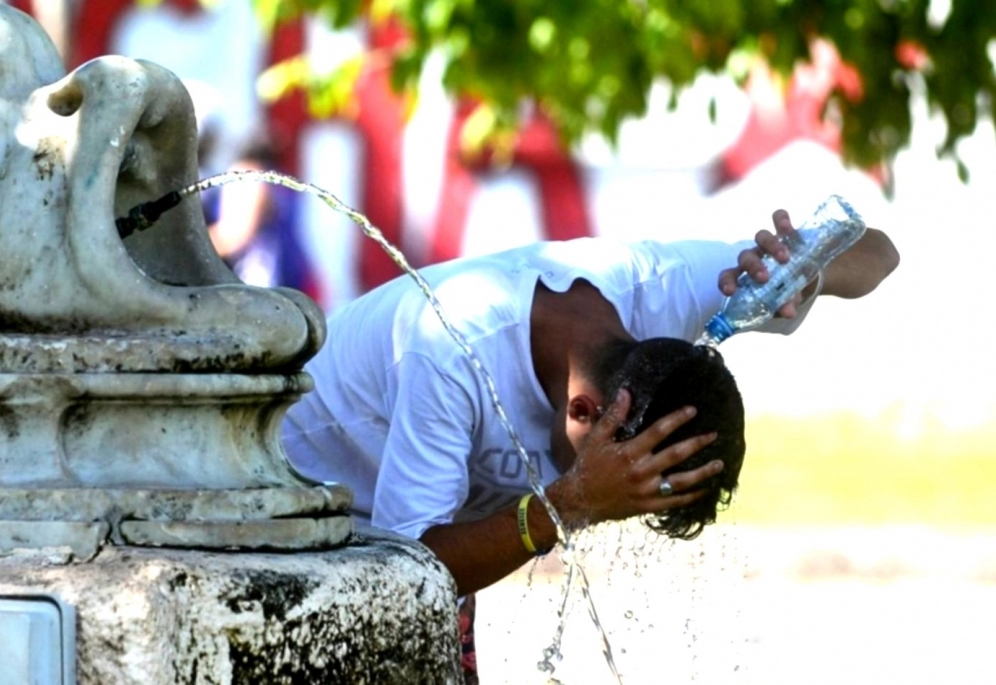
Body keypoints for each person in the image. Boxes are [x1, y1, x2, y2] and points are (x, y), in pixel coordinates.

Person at [281, 208, 899, 680]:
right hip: (292, 512)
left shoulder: (668, 298)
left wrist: (810, 268)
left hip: (434, 550)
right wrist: (570, 503)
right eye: (615, 486)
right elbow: (408, 572)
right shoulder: (451, 347)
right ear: (583, 410)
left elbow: (881, 254)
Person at [203, 130, 321, 302]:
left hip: (262, 283)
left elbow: (235, 234)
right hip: (291, 282)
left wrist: (185, 248)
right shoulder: (278, 178)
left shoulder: (248, 177)